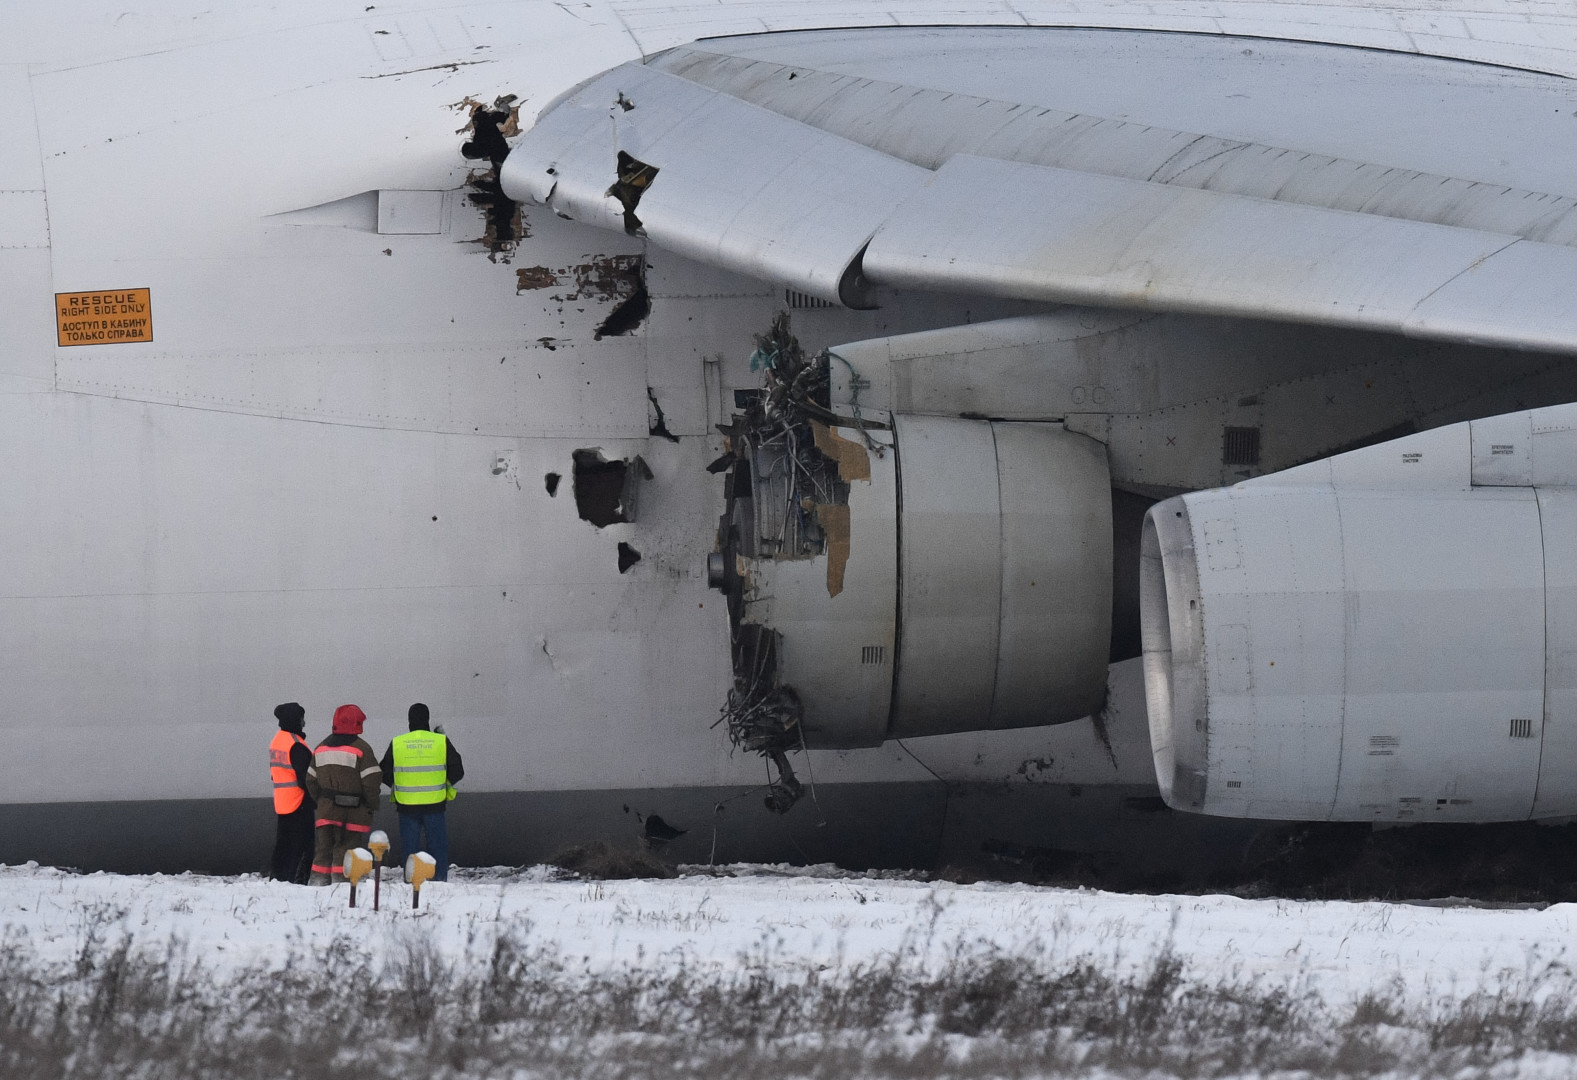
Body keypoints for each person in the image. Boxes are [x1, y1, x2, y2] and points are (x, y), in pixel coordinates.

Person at [381, 703, 464, 881]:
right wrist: (444, 783)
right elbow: (458, 770)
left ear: (409, 720)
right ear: (427, 719)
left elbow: (384, 771)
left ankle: (412, 883)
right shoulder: (440, 741)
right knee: (438, 847)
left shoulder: (398, 743)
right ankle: (439, 881)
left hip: (406, 806)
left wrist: (398, 785)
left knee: (410, 848)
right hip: (435, 805)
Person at [304, 704, 381, 886]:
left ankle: (318, 882)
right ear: (357, 724)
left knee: (323, 848)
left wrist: (322, 801)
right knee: (347, 848)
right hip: (352, 811)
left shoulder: (320, 748)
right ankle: (344, 882)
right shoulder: (362, 749)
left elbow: (310, 780)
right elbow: (371, 781)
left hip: (326, 810)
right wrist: (372, 804)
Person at [267, 702, 314, 883]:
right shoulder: (296, 745)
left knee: (283, 847)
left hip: (283, 802)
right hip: (299, 803)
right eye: (302, 718)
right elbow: (306, 778)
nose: (304, 723)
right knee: (303, 848)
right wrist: (317, 798)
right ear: (295, 720)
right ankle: (297, 882)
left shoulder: (277, 741)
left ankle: (278, 878)